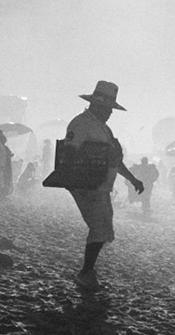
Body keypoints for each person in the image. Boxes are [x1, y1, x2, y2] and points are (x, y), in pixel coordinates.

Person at [62, 79, 144, 292]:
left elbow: (114, 160)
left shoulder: (103, 129)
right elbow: (69, 152)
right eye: (108, 109)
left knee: (103, 228)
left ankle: (87, 271)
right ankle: (86, 273)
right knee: (100, 228)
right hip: (87, 185)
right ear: (96, 106)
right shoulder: (80, 124)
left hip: (101, 185)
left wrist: (132, 178)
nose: (110, 113)